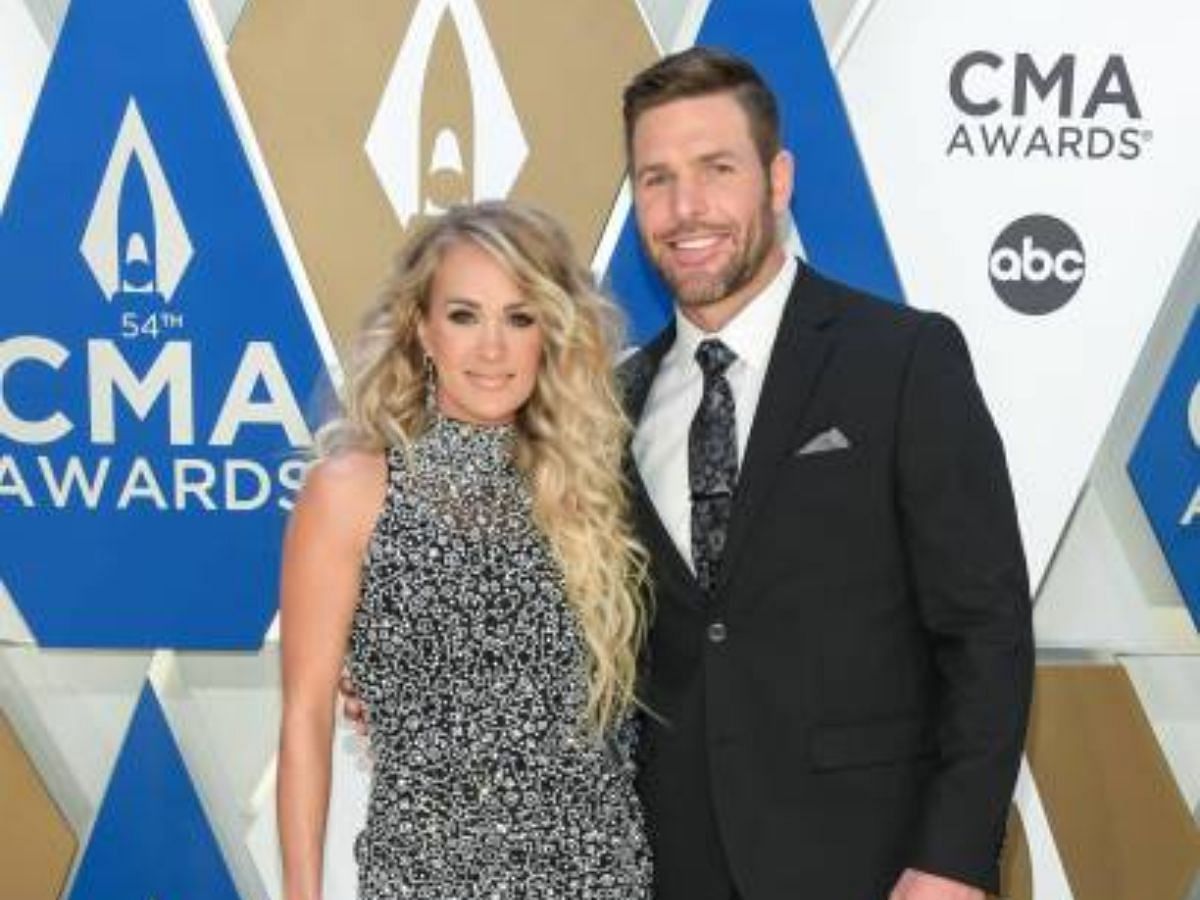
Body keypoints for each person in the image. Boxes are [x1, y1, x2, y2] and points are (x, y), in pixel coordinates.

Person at [619, 48, 1033, 900]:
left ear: (778, 180)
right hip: (669, 866)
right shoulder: (613, 402)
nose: (684, 207)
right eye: (655, 178)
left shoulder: (902, 360)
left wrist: (954, 859)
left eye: (715, 168)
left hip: (871, 864)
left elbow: (984, 630)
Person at [277, 201, 653, 900]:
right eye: (463, 315)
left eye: (520, 317)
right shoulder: (351, 491)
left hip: (599, 875)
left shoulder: (598, 490)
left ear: (551, 333)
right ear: (422, 328)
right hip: (425, 878)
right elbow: (304, 716)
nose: (492, 348)